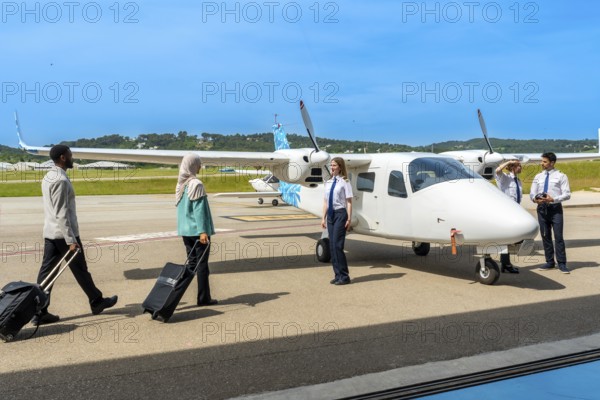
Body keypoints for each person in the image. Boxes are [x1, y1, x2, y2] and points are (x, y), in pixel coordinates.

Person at [34, 145, 118, 326]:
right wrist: (71, 240)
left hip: (51, 233)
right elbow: (61, 213)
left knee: (48, 273)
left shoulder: (49, 176)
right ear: (63, 157)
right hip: (64, 235)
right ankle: (96, 301)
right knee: (80, 270)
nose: (73, 157)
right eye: (70, 155)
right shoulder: (60, 181)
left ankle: (39, 310)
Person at [176, 153, 217, 306]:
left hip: (185, 232)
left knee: (191, 265)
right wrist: (203, 231)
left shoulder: (181, 185)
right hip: (198, 233)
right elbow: (199, 210)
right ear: (192, 165)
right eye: (198, 164)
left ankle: (174, 294)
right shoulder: (196, 184)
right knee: (202, 267)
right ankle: (204, 298)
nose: (200, 166)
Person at [529, 152, 571, 274]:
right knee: (545, 235)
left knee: (558, 237)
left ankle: (562, 263)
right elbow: (532, 193)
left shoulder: (561, 176)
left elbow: (567, 194)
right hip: (542, 209)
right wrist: (535, 199)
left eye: (544, 162)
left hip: (555, 209)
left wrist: (553, 199)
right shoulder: (538, 176)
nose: (542, 163)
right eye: (542, 161)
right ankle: (550, 262)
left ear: (552, 163)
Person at [321, 157, 353, 285]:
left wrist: (349, 218)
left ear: (340, 166)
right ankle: (337, 274)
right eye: (331, 165)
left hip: (340, 214)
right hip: (331, 215)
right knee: (332, 245)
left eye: (334, 165)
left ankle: (344, 276)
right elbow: (325, 201)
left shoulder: (345, 181)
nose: (332, 167)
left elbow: (349, 201)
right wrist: (323, 217)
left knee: (338, 246)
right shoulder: (328, 182)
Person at [494, 159, 523, 274]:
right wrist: (509, 161)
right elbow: (497, 170)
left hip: (515, 211)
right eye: (518, 166)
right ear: (512, 167)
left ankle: (506, 264)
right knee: (506, 239)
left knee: (510, 240)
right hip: (506, 211)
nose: (521, 168)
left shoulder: (518, 181)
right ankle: (506, 264)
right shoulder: (504, 178)